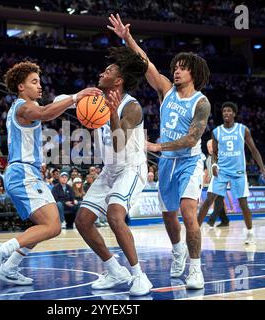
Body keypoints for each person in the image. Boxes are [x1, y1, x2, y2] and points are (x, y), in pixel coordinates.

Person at [108, 14, 210, 289]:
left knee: (189, 213)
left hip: (189, 161)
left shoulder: (202, 103)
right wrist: (126, 37)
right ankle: (178, 251)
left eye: (182, 68)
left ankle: (196, 269)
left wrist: (157, 145)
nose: (176, 71)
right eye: (175, 67)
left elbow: (191, 139)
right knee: (169, 215)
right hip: (167, 164)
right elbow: (145, 62)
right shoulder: (166, 89)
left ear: (194, 73)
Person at [0, 60, 102, 286]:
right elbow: (47, 112)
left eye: (40, 81)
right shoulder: (23, 107)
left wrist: (74, 101)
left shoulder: (24, 108)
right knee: (52, 226)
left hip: (26, 173)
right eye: (34, 82)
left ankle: (9, 268)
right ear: (20, 86)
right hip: (23, 173)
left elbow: (51, 107)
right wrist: (77, 97)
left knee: (44, 227)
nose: (40, 86)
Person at [75, 46, 152, 296]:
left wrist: (111, 115)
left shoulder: (132, 107)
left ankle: (139, 276)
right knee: (83, 221)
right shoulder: (95, 99)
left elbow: (119, 145)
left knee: (115, 215)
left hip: (131, 167)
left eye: (108, 70)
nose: (102, 72)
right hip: (110, 169)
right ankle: (114, 269)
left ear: (118, 80)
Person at [197, 102, 265, 244]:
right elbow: (214, 152)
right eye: (224, 111)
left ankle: (250, 233)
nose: (226, 113)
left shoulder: (243, 130)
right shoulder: (216, 132)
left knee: (243, 202)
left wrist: (262, 167)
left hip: (238, 172)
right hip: (221, 171)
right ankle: (194, 232)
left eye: (229, 111)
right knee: (209, 199)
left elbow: (253, 149)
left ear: (234, 113)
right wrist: (214, 164)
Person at [203, 139, 229, 228]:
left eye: (211, 146)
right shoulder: (207, 159)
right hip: (212, 183)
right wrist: (204, 181)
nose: (210, 148)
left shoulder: (221, 156)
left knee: (217, 201)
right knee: (219, 201)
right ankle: (225, 221)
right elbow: (206, 171)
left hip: (221, 181)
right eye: (208, 147)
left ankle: (211, 221)